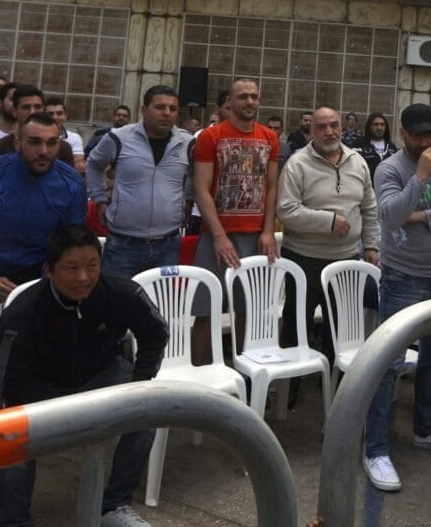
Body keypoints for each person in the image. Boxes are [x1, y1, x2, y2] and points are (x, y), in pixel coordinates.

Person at [0, 224, 168, 527]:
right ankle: (13, 521)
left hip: (102, 375)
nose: (83, 277)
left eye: (92, 266)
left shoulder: (119, 292)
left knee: (147, 414)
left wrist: (141, 380)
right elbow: (7, 379)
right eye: (72, 268)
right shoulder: (24, 312)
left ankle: (115, 507)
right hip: (41, 388)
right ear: (49, 270)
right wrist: (54, 413)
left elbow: (156, 331)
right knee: (11, 436)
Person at [363, 103, 431, 493]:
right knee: (389, 364)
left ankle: (426, 429)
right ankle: (375, 447)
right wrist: (420, 178)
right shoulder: (389, 169)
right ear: (403, 135)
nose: (427, 143)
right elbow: (391, 216)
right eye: (419, 136)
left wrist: (422, 216)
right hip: (401, 278)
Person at [0, 112, 86, 415]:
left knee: (38, 339)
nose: (44, 151)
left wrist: (41, 282)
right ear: (17, 142)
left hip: (34, 274)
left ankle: (21, 408)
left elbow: (68, 243)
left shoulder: (70, 185)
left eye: (52, 143)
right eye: (35, 142)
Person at [276, 106, 379, 366]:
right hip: (303, 259)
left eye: (334, 125)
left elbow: (369, 207)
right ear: (311, 131)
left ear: (341, 127)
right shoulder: (297, 164)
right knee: (296, 326)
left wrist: (371, 246)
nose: (329, 131)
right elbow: (286, 210)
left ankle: (336, 386)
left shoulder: (357, 161)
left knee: (340, 328)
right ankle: (291, 387)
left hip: (345, 261)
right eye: (321, 127)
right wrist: (328, 222)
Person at [191, 78, 280, 362]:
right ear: (230, 101)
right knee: (206, 311)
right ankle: (198, 379)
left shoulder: (269, 137)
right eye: (243, 97)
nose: (249, 102)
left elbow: (272, 187)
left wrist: (268, 231)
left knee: (248, 311)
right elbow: (201, 189)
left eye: (254, 97)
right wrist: (218, 236)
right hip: (216, 236)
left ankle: (247, 373)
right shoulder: (211, 136)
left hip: (254, 236)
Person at [88, 85, 193, 278]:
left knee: (159, 305)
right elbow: (94, 165)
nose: (167, 113)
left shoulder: (187, 142)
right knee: (118, 303)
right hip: (123, 245)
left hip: (167, 244)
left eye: (173, 109)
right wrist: (100, 198)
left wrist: (188, 202)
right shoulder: (118, 138)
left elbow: (195, 175)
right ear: (144, 110)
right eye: (160, 107)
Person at [45, 96, 86, 174]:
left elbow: (79, 166)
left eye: (59, 113)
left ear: (65, 116)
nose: (55, 117)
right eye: (50, 114)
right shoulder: (37, 136)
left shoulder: (74, 138)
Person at [355, 111, 396, 179]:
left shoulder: (392, 147)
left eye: (382, 124)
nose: (379, 127)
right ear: (369, 126)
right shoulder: (359, 145)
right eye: (376, 124)